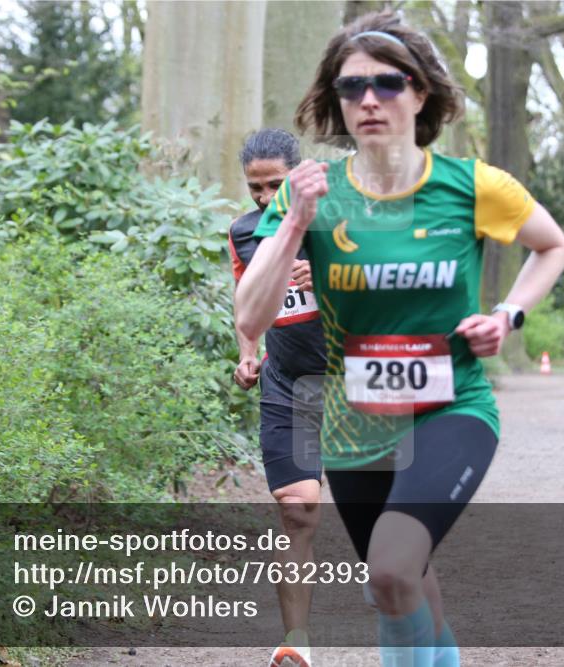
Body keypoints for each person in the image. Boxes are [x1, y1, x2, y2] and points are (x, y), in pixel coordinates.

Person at [235, 12, 564, 666]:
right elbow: (251, 318)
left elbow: (552, 246)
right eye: (350, 86)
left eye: (388, 83)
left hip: (453, 409)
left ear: (422, 94)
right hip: (355, 426)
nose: (368, 99)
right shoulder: (313, 195)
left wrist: (508, 315)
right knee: (405, 581)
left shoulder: (473, 186)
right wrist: (297, 222)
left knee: (389, 568)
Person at [228, 129, 326, 667]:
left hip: (355, 381)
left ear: (297, 174)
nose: (264, 197)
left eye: (274, 184)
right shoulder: (244, 234)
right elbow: (246, 299)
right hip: (289, 381)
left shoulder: (340, 224)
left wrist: (332, 277)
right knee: (297, 510)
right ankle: (297, 641)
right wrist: (248, 351)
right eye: (254, 188)